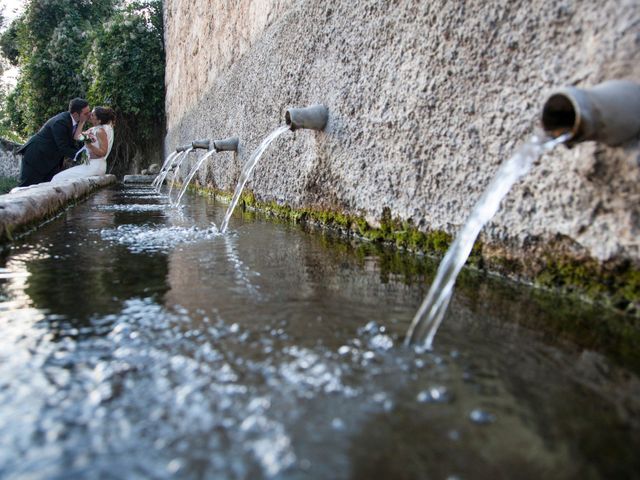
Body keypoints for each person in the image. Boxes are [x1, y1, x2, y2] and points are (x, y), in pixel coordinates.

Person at [16, 98, 91, 187]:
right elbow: (63, 147)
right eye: (86, 113)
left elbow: (75, 141)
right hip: (36, 157)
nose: (89, 115)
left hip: (50, 161)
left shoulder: (75, 122)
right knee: (25, 188)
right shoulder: (61, 122)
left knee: (46, 189)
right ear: (75, 114)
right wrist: (84, 157)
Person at [52, 106, 116, 182]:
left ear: (99, 120)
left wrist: (90, 146)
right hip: (89, 164)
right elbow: (77, 137)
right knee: (58, 177)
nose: (89, 115)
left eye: (92, 115)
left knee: (57, 178)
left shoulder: (100, 131)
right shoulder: (93, 129)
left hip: (96, 165)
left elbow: (103, 152)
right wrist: (82, 122)